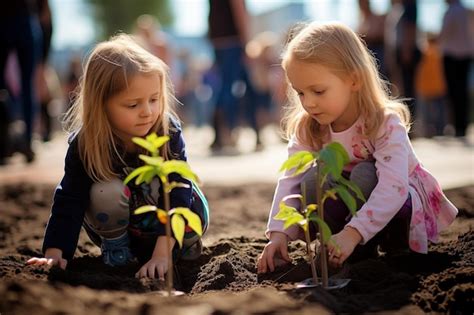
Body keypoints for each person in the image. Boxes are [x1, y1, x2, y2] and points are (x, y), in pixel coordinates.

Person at [257, 22, 458, 273]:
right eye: (300, 93)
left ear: (354, 79)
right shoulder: (310, 127)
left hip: (396, 204)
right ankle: (340, 244)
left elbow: (393, 187)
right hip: (351, 206)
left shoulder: (383, 122)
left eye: (318, 91)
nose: (308, 103)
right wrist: (279, 234)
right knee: (311, 179)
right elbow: (290, 180)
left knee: (365, 173)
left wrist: (354, 232)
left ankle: (385, 243)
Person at [27, 34, 209, 280]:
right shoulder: (87, 143)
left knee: (171, 183)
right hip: (121, 226)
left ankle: (181, 245)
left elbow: (179, 191)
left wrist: (162, 255)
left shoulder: (168, 131)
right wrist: (55, 252)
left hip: (173, 221)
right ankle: (118, 252)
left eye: (154, 100)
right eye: (133, 105)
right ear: (101, 104)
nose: (147, 112)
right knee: (104, 191)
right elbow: (69, 197)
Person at [439, 0, 473, 138]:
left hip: (451, 55)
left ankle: (457, 126)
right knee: (463, 92)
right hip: (466, 54)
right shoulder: (467, 11)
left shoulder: (451, 11)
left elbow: (444, 33)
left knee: (453, 92)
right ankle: (462, 125)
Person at [415, 33, 447, 137]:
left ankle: (427, 131)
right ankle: (440, 130)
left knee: (426, 113)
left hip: (425, 87)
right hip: (438, 86)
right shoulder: (439, 52)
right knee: (439, 112)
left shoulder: (424, 52)